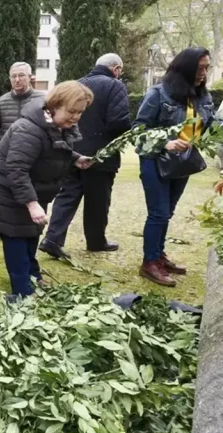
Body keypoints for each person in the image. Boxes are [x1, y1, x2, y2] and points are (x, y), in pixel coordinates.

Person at [0, 81, 95, 296]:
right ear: (55, 105)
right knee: (16, 239)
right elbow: (16, 168)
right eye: (71, 111)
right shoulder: (29, 129)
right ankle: (23, 291)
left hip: (30, 189)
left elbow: (53, 150)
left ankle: (34, 276)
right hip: (5, 189)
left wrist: (75, 159)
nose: (76, 117)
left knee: (32, 233)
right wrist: (32, 204)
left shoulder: (58, 125)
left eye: (80, 112)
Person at [134, 47, 215, 287]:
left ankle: (158, 255)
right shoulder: (158, 93)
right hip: (155, 160)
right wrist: (166, 142)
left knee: (167, 212)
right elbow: (138, 130)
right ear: (186, 67)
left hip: (184, 162)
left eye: (207, 67)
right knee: (158, 213)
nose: (204, 72)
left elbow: (210, 125)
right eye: (200, 67)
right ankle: (149, 263)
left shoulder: (203, 96)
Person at [40, 54, 131, 258]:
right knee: (98, 199)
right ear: (116, 69)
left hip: (72, 150)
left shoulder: (77, 85)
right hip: (100, 153)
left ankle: (52, 238)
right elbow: (118, 122)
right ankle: (96, 241)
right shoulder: (115, 86)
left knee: (67, 195)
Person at [0, 62, 47, 239]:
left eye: (21, 75)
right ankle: (0, 226)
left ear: (30, 77)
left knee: (28, 193)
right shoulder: (1, 102)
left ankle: (32, 226)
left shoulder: (41, 101)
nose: (17, 79)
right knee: (4, 195)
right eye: (14, 76)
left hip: (32, 159)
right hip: (5, 158)